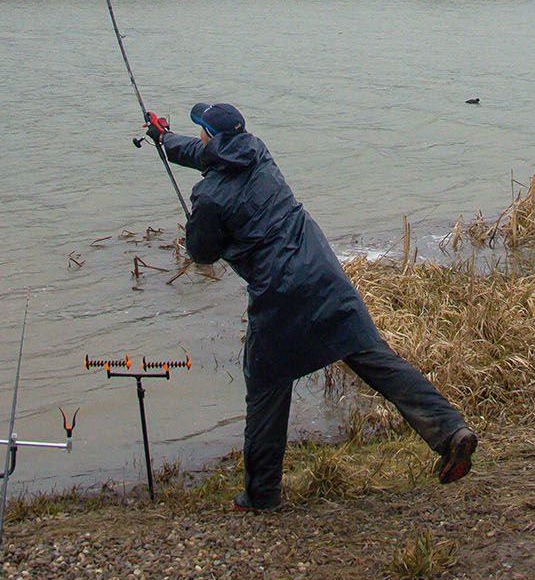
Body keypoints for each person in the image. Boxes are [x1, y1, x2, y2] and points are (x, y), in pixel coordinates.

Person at [144, 101, 477, 512]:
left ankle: (261, 494)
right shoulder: (256, 151)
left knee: (266, 386)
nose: (199, 138)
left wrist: (197, 224)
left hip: (279, 292)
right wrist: (164, 139)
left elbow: (202, 254)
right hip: (322, 272)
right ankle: (450, 431)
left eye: (201, 130)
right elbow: (204, 154)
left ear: (211, 137)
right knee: (374, 358)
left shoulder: (210, 195)